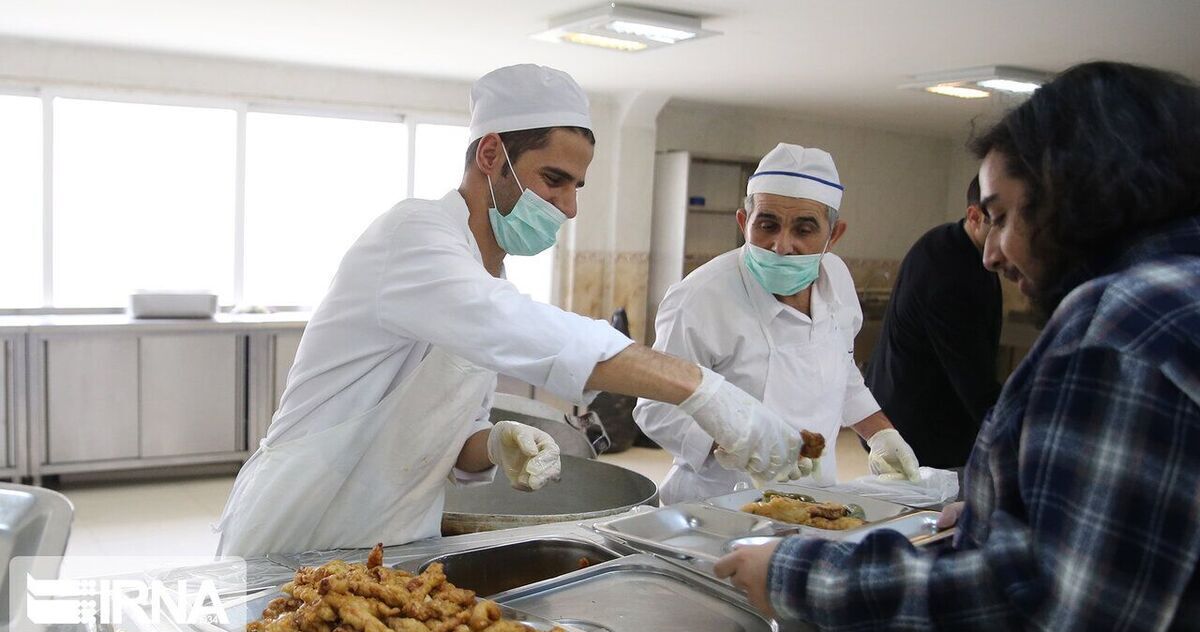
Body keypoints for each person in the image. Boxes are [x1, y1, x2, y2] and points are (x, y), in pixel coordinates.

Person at [714, 61, 1200, 632]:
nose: (992, 251)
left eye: (1002, 214)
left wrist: (800, 574)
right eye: (769, 223)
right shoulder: (1179, 299)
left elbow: (1046, 610)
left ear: (1080, 191)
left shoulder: (1117, 332)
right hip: (721, 485)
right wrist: (1001, 506)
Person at [216, 65, 808, 557]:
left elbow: (452, 433)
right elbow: (520, 328)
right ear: (492, 154)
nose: (569, 207)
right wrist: (703, 390)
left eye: (577, 186)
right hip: (300, 533)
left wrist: (494, 442)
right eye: (554, 179)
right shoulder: (412, 233)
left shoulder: (486, 270)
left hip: (391, 546)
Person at [633, 143, 920, 504]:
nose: (782, 246)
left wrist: (880, 434)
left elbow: (840, 371)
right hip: (717, 504)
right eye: (767, 225)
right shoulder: (701, 297)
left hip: (815, 499)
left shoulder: (838, 281)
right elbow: (655, 408)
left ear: (834, 236)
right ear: (744, 222)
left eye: (804, 229)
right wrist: (735, 442)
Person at [863, 177, 1002, 468]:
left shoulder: (948, 240)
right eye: (1000, 223)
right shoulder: (950, 273)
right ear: (974, 216)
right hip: (917, 433)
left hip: (901, 415)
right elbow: (975, 383)